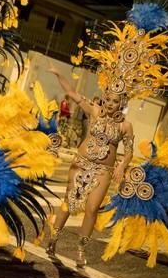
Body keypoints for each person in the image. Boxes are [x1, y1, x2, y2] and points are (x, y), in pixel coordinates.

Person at [46, 63, 134, 267]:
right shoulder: (94, 112)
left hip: (104, 170)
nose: (110, 104)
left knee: (92, 209)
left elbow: (129, 151)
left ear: (121, 103)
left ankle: (80, 249)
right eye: (108, 99)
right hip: (81, 163)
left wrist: (121, 166)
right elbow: (72, 93)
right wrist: (59, 73)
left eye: (115, 101)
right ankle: (53, 240)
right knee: (69, 202)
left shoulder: (125, 126)